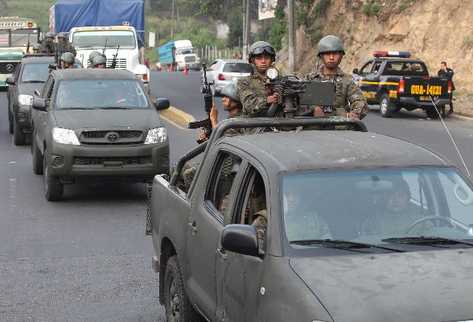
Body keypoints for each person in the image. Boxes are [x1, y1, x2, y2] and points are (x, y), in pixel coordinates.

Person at [306, 35, 368, 120]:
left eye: (335, 54)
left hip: (338, 126)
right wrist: (314, 109)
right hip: (312, 126)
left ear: (341, 56)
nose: (331, 57)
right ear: (321, 56)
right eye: (327, 54)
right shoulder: (310, 79)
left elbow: (360, 102)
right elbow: (298, 102)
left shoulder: (347, 81)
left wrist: (352, 115)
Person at [237, 41, 279, 117]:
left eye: (267, 58)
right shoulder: (244, 82)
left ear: (271, 60)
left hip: (280, 123)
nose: (263, 61)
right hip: (254, 124)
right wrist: (267, 100)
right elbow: (249, 105)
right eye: (259, 58)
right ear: (252, 61)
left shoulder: (280, 80)